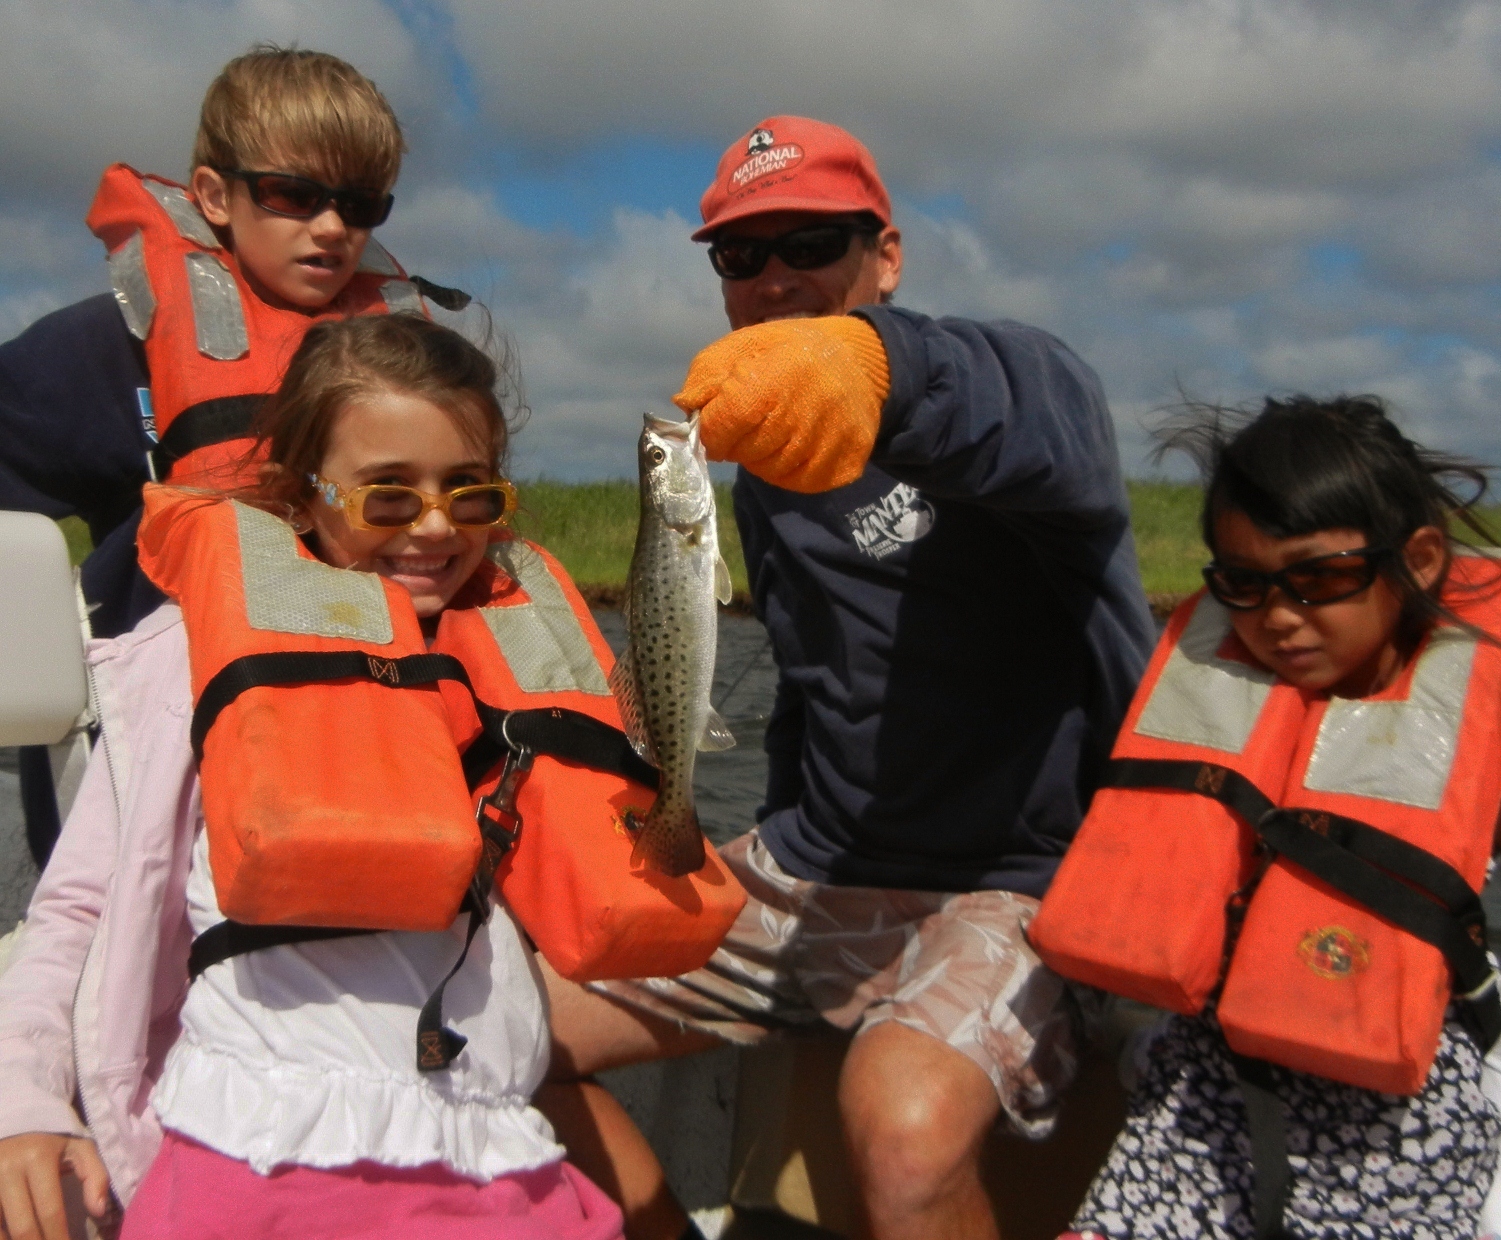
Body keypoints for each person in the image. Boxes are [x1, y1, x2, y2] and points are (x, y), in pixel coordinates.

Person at [537, 116, 1158, 1240]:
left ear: (886, 254)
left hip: (1019, 883)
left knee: (904, 1128)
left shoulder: (1013, 405)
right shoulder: (768, 477)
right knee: (491, 1021)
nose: (775, 278)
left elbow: (1025, 399)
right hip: (819, 867)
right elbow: (811, 684)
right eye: (741, 256)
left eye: (811, 242)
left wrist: (871, 365)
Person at [0, 315, 624, 1240]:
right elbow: (82, 902)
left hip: (488, 1153)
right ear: (302, 499)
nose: (436, 528)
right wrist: (22, 1096)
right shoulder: (201, 659)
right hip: (259, 1161)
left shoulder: (508, 665)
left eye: (471, 495)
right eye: (387, 499)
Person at [1045, 395, 1501, 1239]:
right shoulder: (1223, 699)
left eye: (1320, 578)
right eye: (1243, 585)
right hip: (1203, 1096)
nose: (1279, 617)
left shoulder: (1477, 716)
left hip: (1396, 1134)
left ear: (1422, 558)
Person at [0, 45, 423, 866]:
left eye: (360, 203)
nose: (332, 228)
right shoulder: (104, 345)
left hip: (362, 751)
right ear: (212, 196)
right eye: (294, 194)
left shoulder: (413, 369)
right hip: (155, 768)